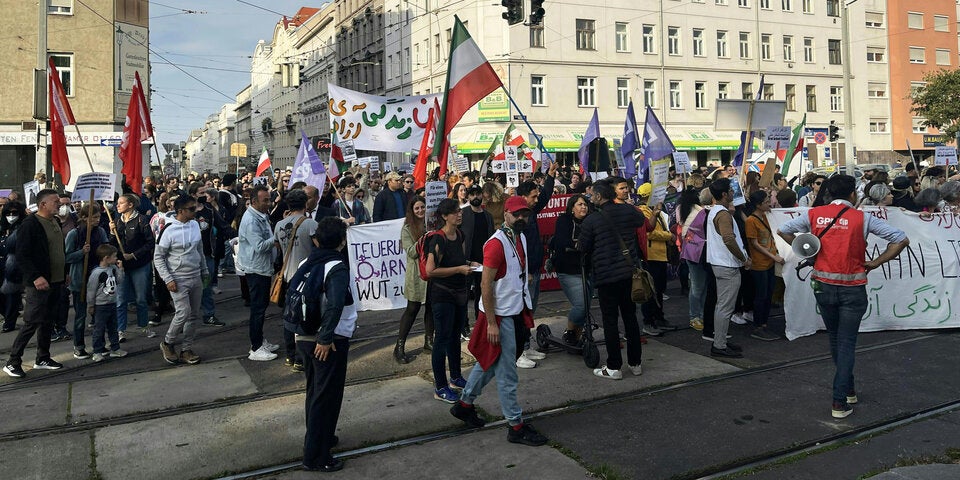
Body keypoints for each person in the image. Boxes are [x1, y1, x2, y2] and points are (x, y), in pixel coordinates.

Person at [778, 175, 909, 418]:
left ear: (828, 193)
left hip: (823, 286)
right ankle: (839, 401)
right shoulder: (863, 218)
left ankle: (848, 389)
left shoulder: (813, 214)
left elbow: (783, 230)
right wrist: (876, 263)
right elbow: (901, 239)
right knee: (847, 342)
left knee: (836, 339)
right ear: (853, 195)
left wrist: (808, 251)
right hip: (853, 287)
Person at [449, 195, 548, 447]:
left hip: (514, 311)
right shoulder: (496, 244)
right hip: (500, 315)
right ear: (506, 214)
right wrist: (492, 322)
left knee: (489, 362)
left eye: (525, 214)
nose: (522, 218)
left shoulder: (521, 237)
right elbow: (485, 285)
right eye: (517, 214)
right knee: (506, 372)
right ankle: (515, 425)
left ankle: (464, 404)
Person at [290, 217, 356, 473]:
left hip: (305, 337)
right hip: (328, 340)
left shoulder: (309, 261)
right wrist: (326, 338)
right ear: (341, 242)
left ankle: (322, 437)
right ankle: (316, 455)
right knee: (326, 397)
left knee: (315, 393)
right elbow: (336, 304)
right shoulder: (336, 267)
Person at [578, 179, 648, 380]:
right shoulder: (628, 211)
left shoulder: (592, 220)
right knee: (630, 318)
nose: (590, 198)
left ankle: (614, 366)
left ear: (599, 196)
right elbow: (639, 219)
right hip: (629, 274)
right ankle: (635, 364)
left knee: (610, 321)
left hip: (607, 276)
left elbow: (583, 246)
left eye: (592, 195)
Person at [4, 190, 66, 378]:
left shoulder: (54, 221)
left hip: (55, 280)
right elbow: (22, 255)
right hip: (38, 283)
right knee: (32, 321)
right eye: (55, 201)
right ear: (43, 204)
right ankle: (13, 361)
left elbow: (58, 250)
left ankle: (43, 357)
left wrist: (65, 273)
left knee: (48, 320)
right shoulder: (30, 225)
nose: (59, 204)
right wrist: (35, 277)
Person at [424, 198, 477, 403]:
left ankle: (455, 376)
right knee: (442, 339)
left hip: (459, 293)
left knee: (455, 336)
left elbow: (457, 259)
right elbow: (431, 271)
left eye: (459, 211)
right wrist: (459, 270)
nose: (459, 214)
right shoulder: (438, 239)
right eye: (454, 212)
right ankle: (440, 386)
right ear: (445, 216)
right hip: (442, 295)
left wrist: (469, 263)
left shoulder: (460, 234)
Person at [154, 194, 210, 366]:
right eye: (192, 209)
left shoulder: (194, 225)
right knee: (183, 312)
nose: (196, 211)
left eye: (196, 207)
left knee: (193, 315)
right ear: (180, 211)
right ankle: (168, 342)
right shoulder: (168, 230)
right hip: (177, 279)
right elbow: (158, 257)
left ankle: (186, 349)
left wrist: (204, 270)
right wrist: (168, 279)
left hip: (195, 276)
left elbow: (199, 249)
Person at [705, 178, 750, 358]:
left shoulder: (717, 211)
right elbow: (729, 239)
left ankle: (721, 340)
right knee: (725, 307)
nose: (734, 193)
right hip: (727, 265)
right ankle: (719, 345)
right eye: (731, 190)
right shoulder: (722, 214)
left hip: (720, 263)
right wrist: (743, 258)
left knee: (722, 306)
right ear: (724, 195)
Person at [274, 189, 318, 371]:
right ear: (305, 204)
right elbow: (319, 247)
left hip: (286, 277)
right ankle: (301, 358)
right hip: (305, 277)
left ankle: (290, 356)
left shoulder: (279, 225)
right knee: (305, 318)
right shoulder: (310, 224)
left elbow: (278, 248)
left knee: (289, 317)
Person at [238, 185, 280, 361]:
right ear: (254, 201)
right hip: (256, 269)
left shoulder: (260, 216)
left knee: (261, 307)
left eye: (269, 199)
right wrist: (277, 238)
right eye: (266, 200)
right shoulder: (251, 220)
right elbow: (260, 246)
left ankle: (260, 341)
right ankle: (255, 348)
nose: (268, 203)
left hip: (262, 267)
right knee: (258, 309)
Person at [65, 204, 110, 359]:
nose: (97, 220)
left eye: (98, 217)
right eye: (93, 217)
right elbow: (67, 257)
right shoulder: (74, 234)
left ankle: (99, 345)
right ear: (84, 218)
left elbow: (106, 250)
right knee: (81, 315)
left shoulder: (101, 232)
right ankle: (79, 346)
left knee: (99, 315)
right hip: (80, 280)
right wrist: (81, 252)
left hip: (97, 279)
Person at [111, 193, 156, 341]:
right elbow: (113, 244)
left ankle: (143, 326)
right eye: (118, 203)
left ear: (130, 205)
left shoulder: (142, 220)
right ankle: (120, 329)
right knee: (121, 299)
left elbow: (150, 243)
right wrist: (112, 233)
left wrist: (134, 255)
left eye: (121, 203)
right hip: (122, 266)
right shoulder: (117, 221)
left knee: (141, 298)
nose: (117, 206)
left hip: (139, 265)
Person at [550, 194, 592, 345]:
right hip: (569, 270)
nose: (583, 207)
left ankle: (577, 337)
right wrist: (577, 244)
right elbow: (562, 241)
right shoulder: (564, 220)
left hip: (587, 269)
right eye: (580, 204)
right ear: (572, 207)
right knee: (581, 306)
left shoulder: (590, 220)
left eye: (585, 204)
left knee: (586, 306)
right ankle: (570, 331)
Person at [396, 196, 433, 363]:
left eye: (422, 207)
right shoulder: (407, 228)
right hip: (416, 274)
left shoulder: (430, 223)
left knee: (431, 307)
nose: (420, 211)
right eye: (417, 208)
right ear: (411, 210)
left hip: (432, 272)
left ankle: (429, 341)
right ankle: (399, 346)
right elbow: (411, 252)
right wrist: (425, 238)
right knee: (412, 309)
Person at [744, 190, 782, 342]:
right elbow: (754, 243)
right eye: (766, 201)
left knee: (768, 295)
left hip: (770, 261)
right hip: (759, 263)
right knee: (761, 295)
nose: (769, 203)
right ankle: (759, 326)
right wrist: (774, 256)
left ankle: (764, 324)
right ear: (758, 204)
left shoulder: (767, 216)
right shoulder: (751, 221)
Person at [460, 185, 494, 339]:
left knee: (482, 295)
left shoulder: (488, 215)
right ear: (468, 197)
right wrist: (464, 260)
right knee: (464, 295)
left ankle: (480, 325)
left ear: (482, 195)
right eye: (472, 194)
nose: (475, 197)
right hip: (466, 262)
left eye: (477, 194)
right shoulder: (463, 213)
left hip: (484, 263)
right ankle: (464, 326)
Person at [87, 244, 128, 362]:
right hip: (101, 305)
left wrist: (120, 269)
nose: (116, 258)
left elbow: (119, 281)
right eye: (114, 256)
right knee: (99, 329)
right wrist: (91, 305)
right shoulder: (96, 273)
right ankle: (97, 351)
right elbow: (91, 290)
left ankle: (115, 348)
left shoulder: (113, 268)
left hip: (112, 303)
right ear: (106, 258)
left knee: (113, 327)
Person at [0, 201, 27, 333]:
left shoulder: (22, 228)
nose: (11, 216)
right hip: (2, 265)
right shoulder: (2, 228)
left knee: (12, 295)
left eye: (14, 213)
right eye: (8, 213)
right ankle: (8, 316)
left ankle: (9, 322)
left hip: (15, 267)